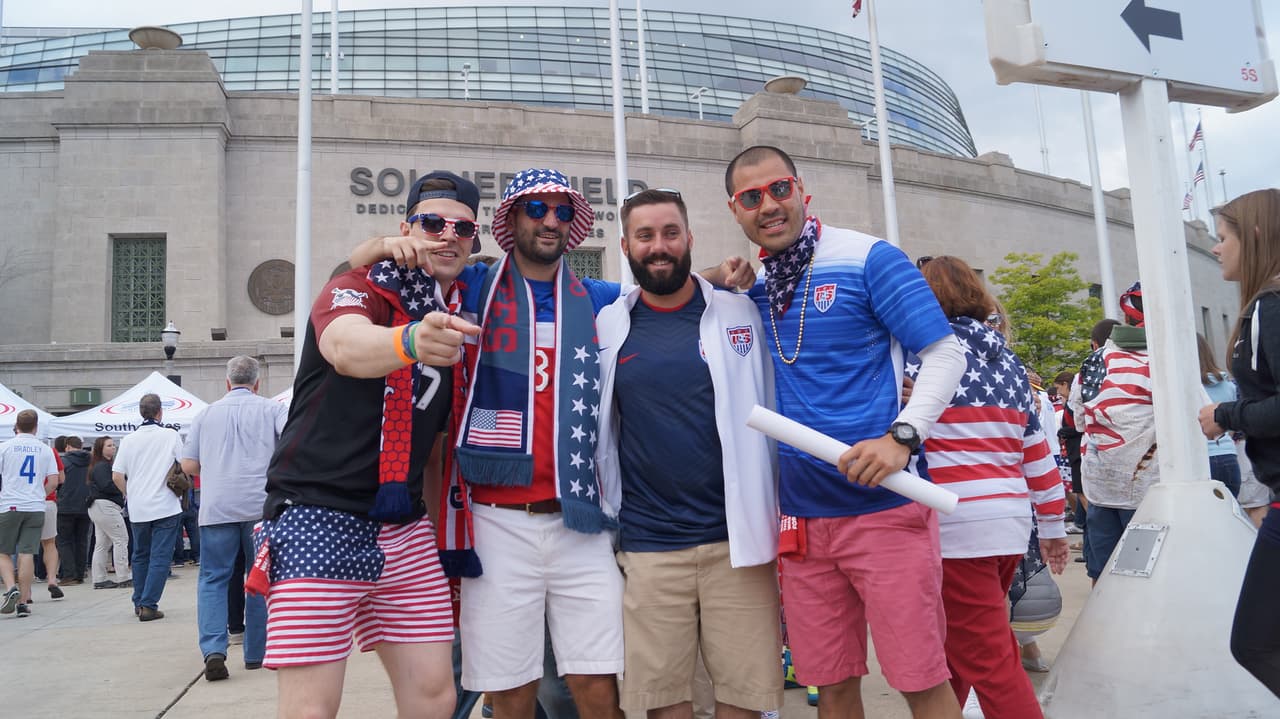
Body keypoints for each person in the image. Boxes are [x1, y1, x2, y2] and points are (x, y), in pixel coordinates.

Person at [347, 168, 753, 719]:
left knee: (598, 687)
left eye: (563, 212)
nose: (550, 221)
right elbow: (361, 277)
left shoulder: (597, 297)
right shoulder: (474, 286)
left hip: (579, 520)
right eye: (536, 209)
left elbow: (662, 291)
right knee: (511, 694)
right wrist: (377, 246)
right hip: (495, 521)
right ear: (512, 218)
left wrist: (720, 275)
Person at [724, 145, 967, 719]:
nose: (769, 205)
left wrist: (901, 438)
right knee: (829, 687)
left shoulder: (869, 257)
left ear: (802, 189)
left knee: (921, 681)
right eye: (751, 197)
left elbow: (945, 354)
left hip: (885, 512)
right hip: (802, 522)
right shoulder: (756, 284)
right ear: (736, 211)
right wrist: (727, 276)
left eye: (779, 189)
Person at [255, 171, 480, 719]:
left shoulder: (458, 306)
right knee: (311, 708)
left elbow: (434, 448)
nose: (447, 236)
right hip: (318, 513)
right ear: (406, 230)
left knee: (436, 695)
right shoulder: (357, 285)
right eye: (432, 223)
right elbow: (345, 346)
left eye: (463, 228)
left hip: (403, 523)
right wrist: (411, 339)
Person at [596, 188, 783, 719]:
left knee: (745, 701)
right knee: (664, 704)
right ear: (626, 246)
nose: (659, 246)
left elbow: (800, 370)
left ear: (689, 239)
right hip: (649, 547)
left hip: (738, 544)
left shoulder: (742, 312)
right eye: (645, 235)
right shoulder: (607, 324)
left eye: (670, 233)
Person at [911, 256, 1068, 719]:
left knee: (989, 660)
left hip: (956, 525)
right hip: (1009, 524)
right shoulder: (1011, 364)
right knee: (960, 647)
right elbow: (1036, 451)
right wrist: (1053, 526)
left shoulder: (921, 360)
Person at [1195, 188, 1280, 697]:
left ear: (1255, 235)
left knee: (1255, 644)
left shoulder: (1271, 306)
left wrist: (1224, 415)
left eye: (1223, 236)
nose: (1215, 247)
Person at [181, 355, 288, 682]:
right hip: (259, 506)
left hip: (217, 507)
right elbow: (292, 448)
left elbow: (188, 465)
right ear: (257, 383)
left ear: (227, 382)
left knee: (213, 579)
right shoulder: (273, 410)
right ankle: (256, 652)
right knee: (257, 577)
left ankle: (214, 649)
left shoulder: (205, 414)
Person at [1073, 285, 1154, 584]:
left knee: (1103, 574)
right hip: (1148, 488)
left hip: (1101, 485)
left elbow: (1079, 421)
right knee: (1145, 575)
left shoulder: (1093, 362)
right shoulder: (1165, 357)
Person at [112, 393, 185, 621]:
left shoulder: (128, 439)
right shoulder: (170, 435)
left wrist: (130, 493)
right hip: (166, 504)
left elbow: (117, 476)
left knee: (140, 555)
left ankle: (139, 601)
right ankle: (149, 604)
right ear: (160, 412)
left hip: (138, 506)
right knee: (160, 556)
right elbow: (184, 464)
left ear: (140, 412)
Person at [0, 410, 60, 618]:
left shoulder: (5, 447)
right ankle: (23, 602)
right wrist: (39, 495)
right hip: (35, 506)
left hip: (10, 504)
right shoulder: (45, 450)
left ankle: (10, 587)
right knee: (27, 553)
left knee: (3, 552)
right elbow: (54, 481)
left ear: (17, 425)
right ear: (36, 427)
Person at [1197, 333, 1241, 497]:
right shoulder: (1228, 386)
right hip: (1228, 455)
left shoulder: (1184, 387)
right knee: (1230, 509)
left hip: (1199, 460)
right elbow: (1232, 425)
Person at [87, 435, 130, 589]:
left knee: (102, 543)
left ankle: (99, 578)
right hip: (106, 506)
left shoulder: (100, 465)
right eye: (109, 445)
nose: (113, 448)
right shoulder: (102, 466)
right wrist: (123, 490)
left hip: (99, 506)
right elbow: (106, 485)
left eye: (113, 445)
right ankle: (123, 576)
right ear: (101, 449)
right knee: (121, 539)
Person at [56, 435, 93, 585]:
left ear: (68, 447)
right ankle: (80, 573)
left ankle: (69, 575)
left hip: (66, 505)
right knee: (82, 540)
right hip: (85, 505)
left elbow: (58, 482)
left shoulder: (63, 461)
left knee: (64, 541)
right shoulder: (90, 461)